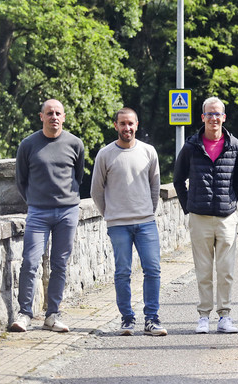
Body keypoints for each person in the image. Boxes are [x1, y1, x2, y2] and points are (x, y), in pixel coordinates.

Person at [9, 99, 85, 333]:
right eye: (49, 113)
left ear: (64, 117)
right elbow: (21, 180)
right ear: (41, 116)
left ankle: (52, 314)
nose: (54, 117)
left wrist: (65, 201)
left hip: (67, 212)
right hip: (38, 213)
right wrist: (35, 200)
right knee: (30, 262)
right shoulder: (28, 145)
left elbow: (78, 176)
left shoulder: (75, 143)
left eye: (58, 113)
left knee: (59, 264)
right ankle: (24, 314)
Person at [91, 107, 167, 336]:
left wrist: (147, 211)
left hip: (146, 222)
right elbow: (96, 191)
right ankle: (127, 319)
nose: (127, 128)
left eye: (131, 123)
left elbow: (155, 186)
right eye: (122, 124)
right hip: (118, 225)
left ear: (137, 124)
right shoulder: (105, 154)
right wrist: (111, 214)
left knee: (153, 269)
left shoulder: (148, 151)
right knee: (122, 272)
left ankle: (152, 319)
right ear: (115, 126)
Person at [173, 97, 238, 334]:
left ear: (224, 118)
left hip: (226, 218)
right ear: (202, 117)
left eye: (218, 114)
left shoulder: (235, 146)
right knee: (203, 270)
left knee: (226, 271)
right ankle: (203, 316)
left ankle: (225, 316)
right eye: (209, 114)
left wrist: (230, 203)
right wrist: (189, 207)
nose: (214, 118)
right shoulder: (191, 146)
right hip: (200, 217)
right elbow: (177, 180)